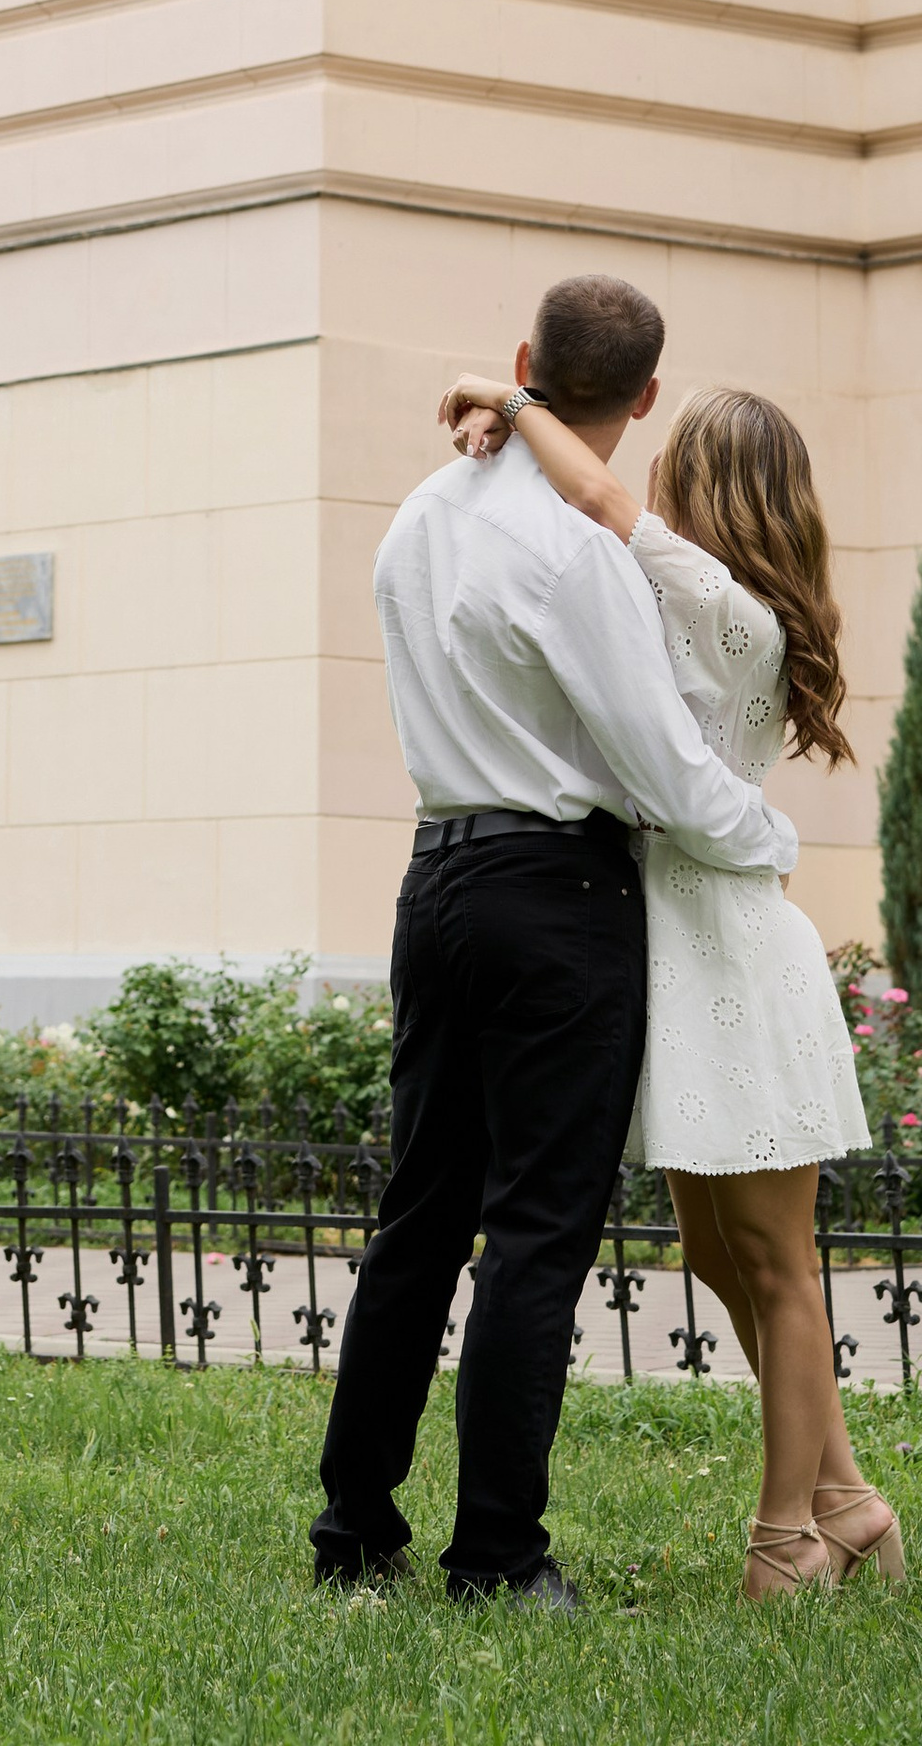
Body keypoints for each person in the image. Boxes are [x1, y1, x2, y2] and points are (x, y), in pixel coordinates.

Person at [313, 276, 798, 1609]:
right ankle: (499, 1558)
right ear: (642, 399)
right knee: (535, 1232)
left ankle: (353, 1535)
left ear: (527, 365)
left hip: (438, 880)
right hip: (559, 902)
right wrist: (775, 841)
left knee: (418, 1216)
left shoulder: (417, 517)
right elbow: (670, 775)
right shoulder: (584, 555)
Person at [436, 362, 903, 1599]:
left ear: (710, 486)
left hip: (735, 953)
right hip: (682, 947)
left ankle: (786, 1539)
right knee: (715, 1249)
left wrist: (505, 392)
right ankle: (849, 1502)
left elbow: (589, 493)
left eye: (674, 457)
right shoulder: (692, 596)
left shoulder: (719, 598)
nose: (647, 474)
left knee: (776, 1262)